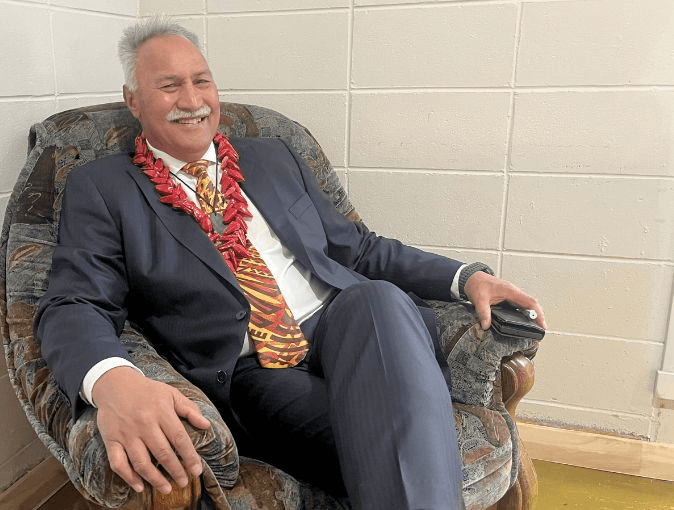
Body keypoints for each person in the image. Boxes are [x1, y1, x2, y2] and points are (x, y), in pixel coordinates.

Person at [35, 17, 546, 510]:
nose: (191, 101)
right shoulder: (103, 188)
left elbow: (360, 249)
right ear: (134, 100)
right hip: (255, 367)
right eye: (169, 86)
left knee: (377, 296)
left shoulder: (272, 156)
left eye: (201, 81)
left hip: (345, 324)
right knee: (395, 435)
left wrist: (465, 278)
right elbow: (72, 302)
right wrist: (112, 381)